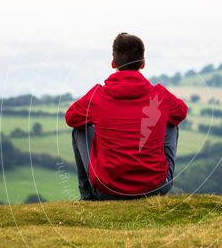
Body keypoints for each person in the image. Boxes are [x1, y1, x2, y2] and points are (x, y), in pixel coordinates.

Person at [65, 32, 188, 200]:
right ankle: (157, 176)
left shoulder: (97, 97)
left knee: (80, 129)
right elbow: (181, 112)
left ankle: (87, 197)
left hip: (107, 190)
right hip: (155, 187)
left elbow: (71, 118)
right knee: (171, 120)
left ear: (113, 63)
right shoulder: (160, 96)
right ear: (143, 64)